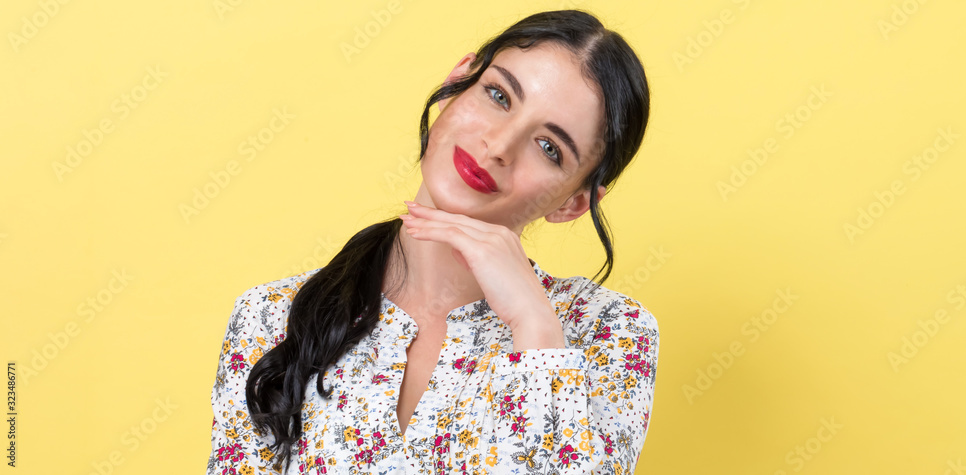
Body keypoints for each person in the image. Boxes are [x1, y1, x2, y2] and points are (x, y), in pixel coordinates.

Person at [206, 9, 658, 475]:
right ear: (457, 82)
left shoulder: (609, 335)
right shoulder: (271, 316)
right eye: (498, 95)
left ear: (573, 203)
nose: (499, 145)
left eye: (550, 148)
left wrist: (534, 328)